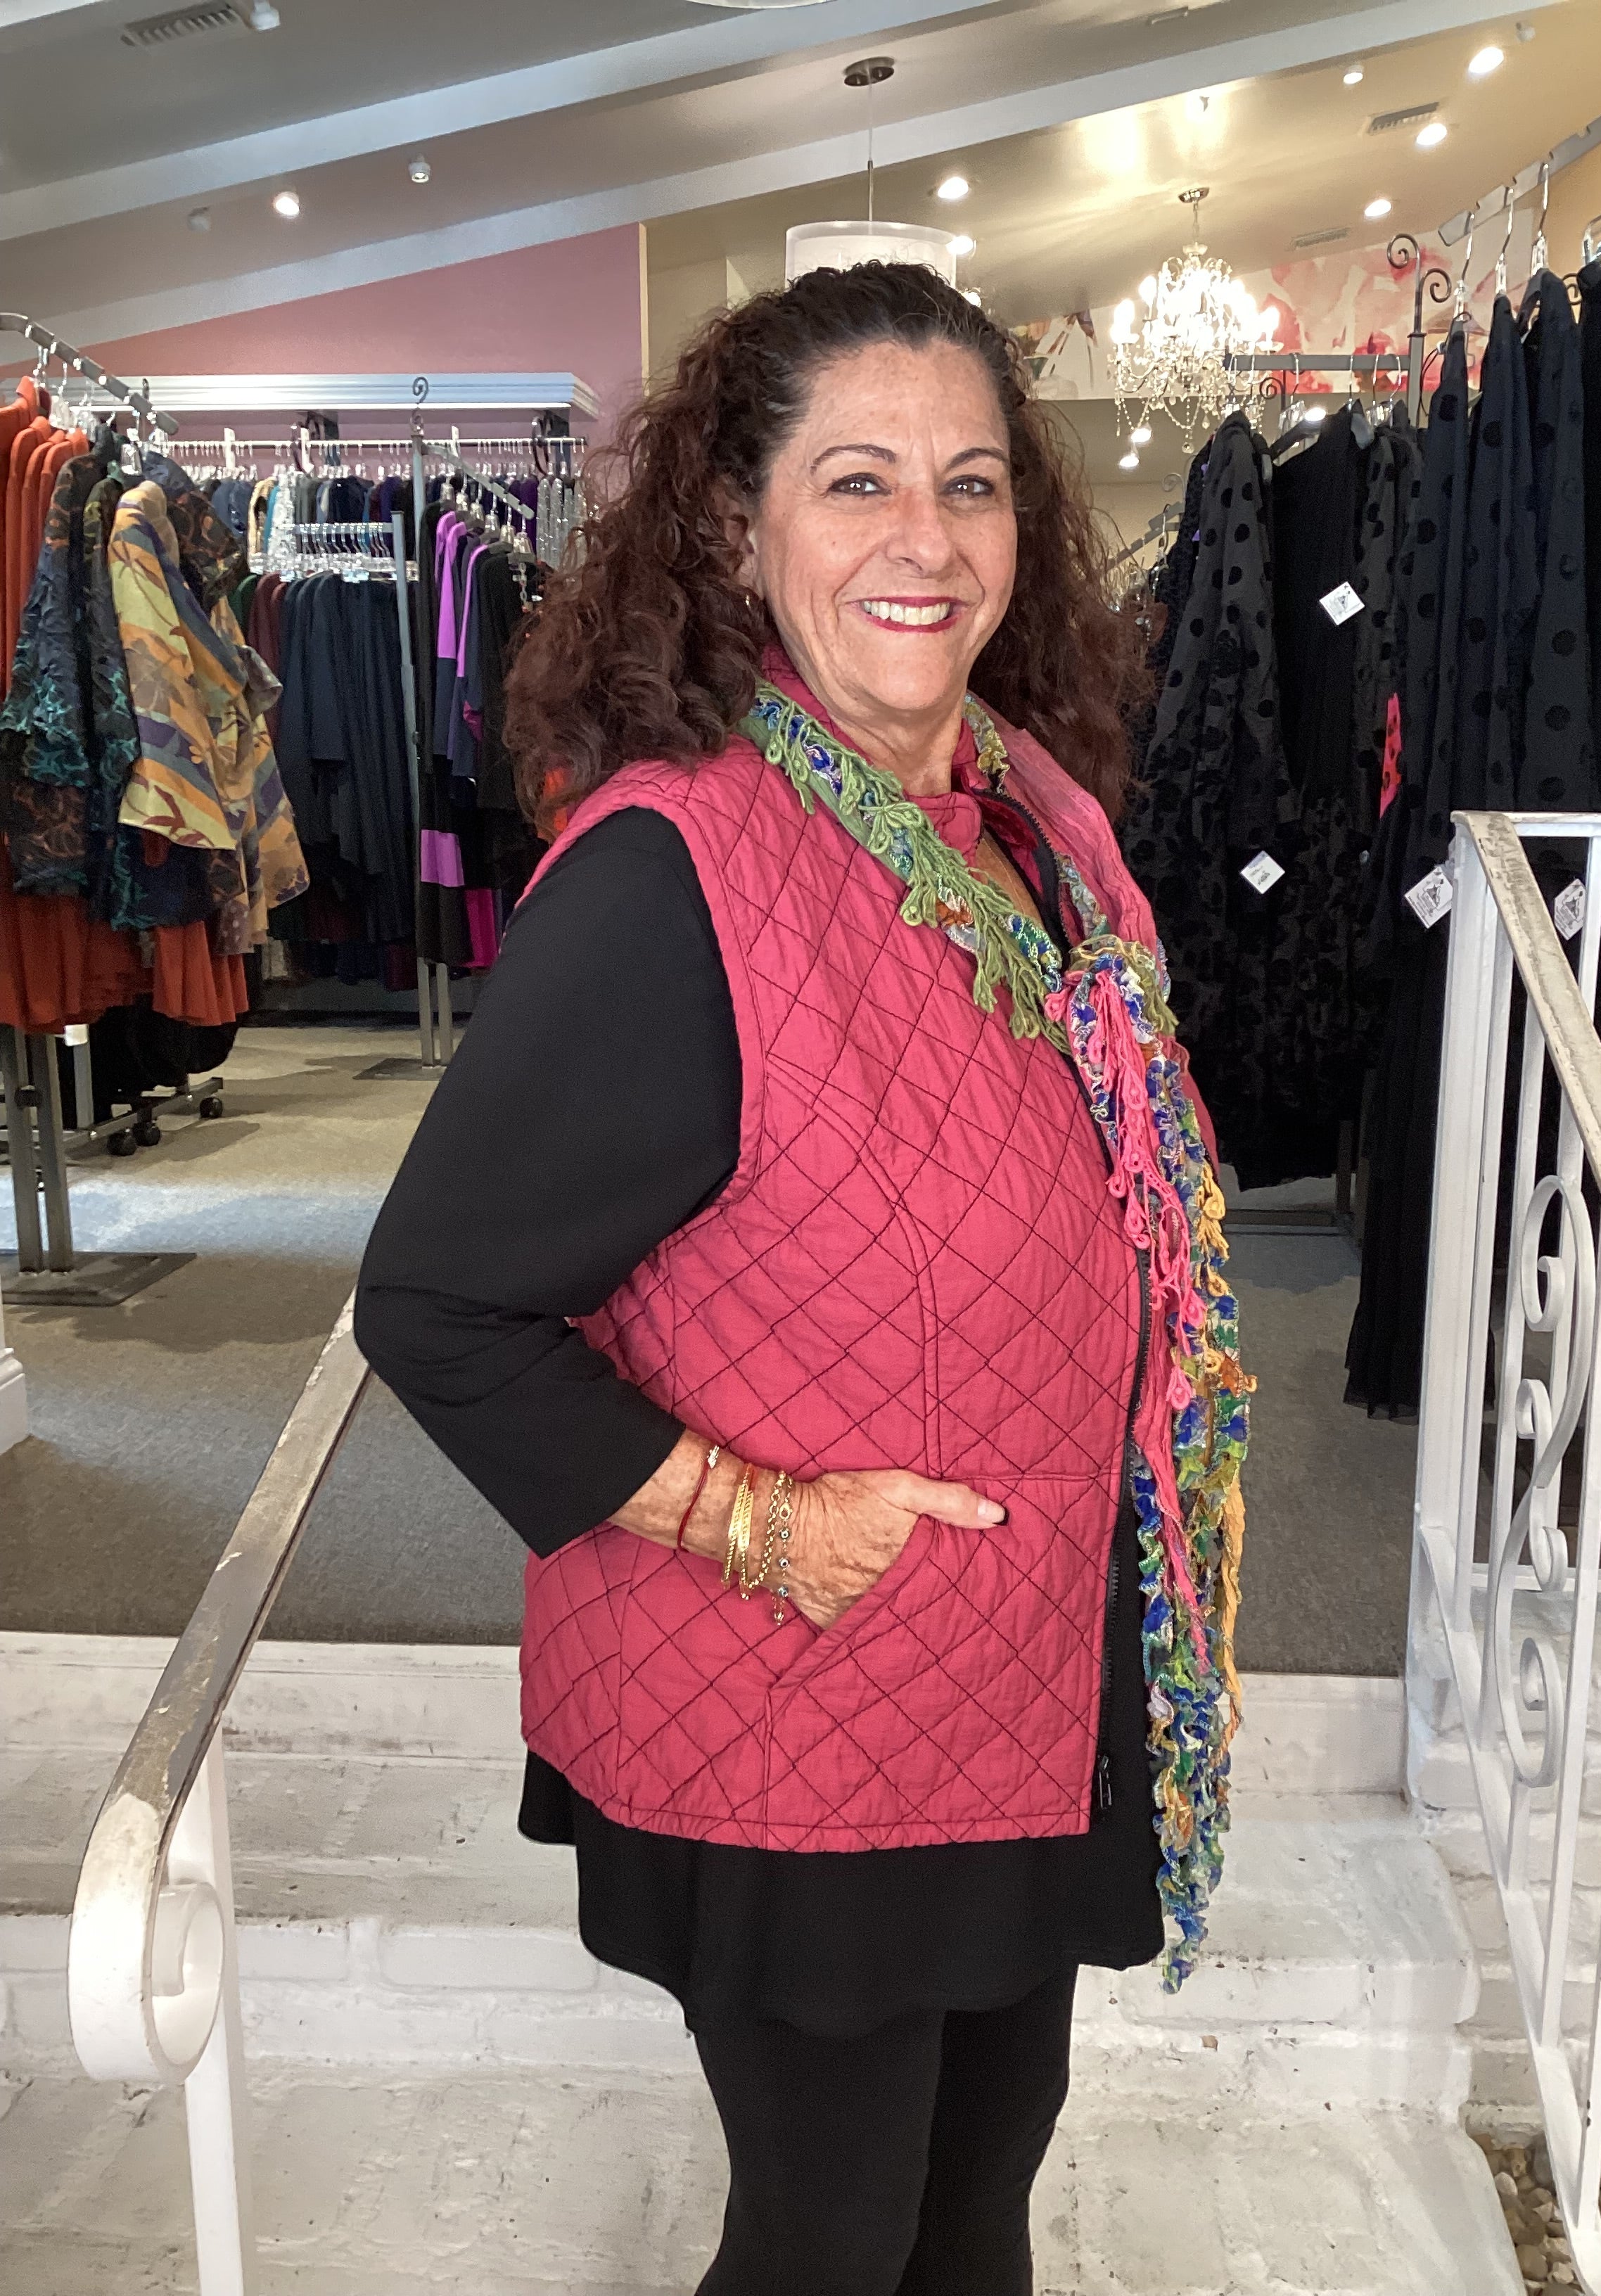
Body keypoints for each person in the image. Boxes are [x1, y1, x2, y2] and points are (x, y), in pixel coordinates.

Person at [356, 260, 1249, 2296]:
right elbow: (439, 1305)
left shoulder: (1036, 838)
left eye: (971, 483)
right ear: (737, 529)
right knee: (833, 2241)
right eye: (858, 483)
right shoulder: (678, 870)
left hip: (1028, 1682)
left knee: (975, 2213)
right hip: (803, 1709)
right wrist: (754, 1521)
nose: (926, 539)